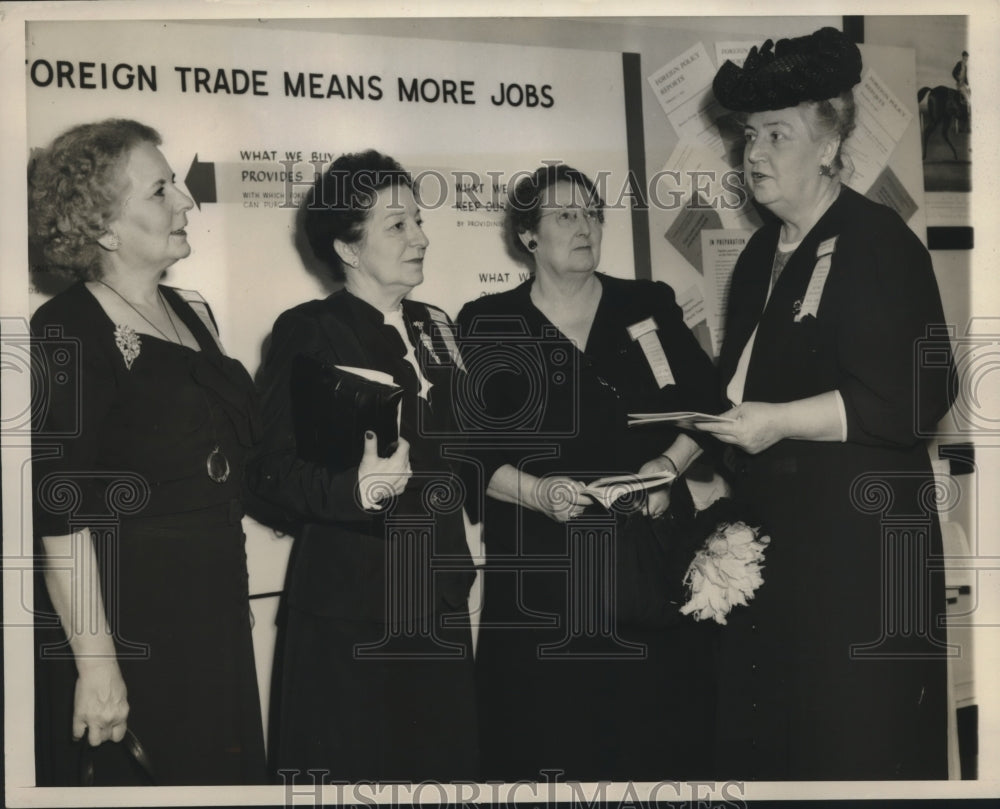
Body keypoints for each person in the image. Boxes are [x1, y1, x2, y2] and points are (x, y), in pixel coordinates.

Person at [702, 27, 956, 779]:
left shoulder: (880, 243)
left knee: (854, 750)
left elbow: (918, 395)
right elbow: (742, 385)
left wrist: (777, 420)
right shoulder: (758, 255)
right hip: (784, 556)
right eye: (749, 135)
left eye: (777, 134)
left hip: (862, 563)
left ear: (828, 140)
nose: (754, 153)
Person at [456, 164, 722, 782]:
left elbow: (709, 409)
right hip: (540, 578)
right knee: (547, 749)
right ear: (528, 235)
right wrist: (537, 493)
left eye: (592, 214)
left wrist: (666, 469)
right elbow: (466, 451)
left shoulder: (647, 304)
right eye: (565, 215)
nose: (584, 227)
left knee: (659, 744)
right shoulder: (488, 322)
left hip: (648, 567)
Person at [29, 119, 265, 785]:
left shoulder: (192, 311)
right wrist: (99, 666)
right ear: (104, 226)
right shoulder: (66, 329)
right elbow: (62, 516)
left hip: (213, 611)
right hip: (129, 624)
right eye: (161, 190)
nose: (187, 200)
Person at [248, 150, 478, 782]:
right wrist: (357, 492)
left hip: (438, 597)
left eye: (419, 220)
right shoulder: (309, 330)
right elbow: (267, 470)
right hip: (351, 607)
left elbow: (458, 453)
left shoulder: (437, 326)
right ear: (349, 249)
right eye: (397, 225)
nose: (421, 238)